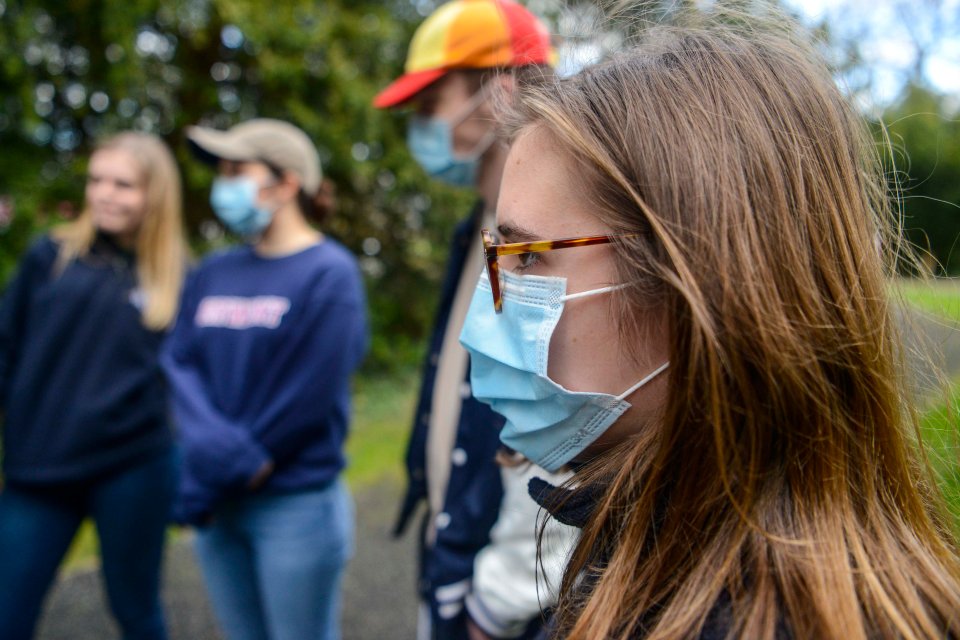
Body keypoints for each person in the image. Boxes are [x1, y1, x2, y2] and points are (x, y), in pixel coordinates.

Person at [458, 6, 960, 639]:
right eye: (498, 257)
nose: (489, 309)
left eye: (526, 257)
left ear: (699, 282)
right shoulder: (663, 554)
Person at [374, 1, 577, 638]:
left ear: (498, 90)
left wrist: (493, 602)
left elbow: (561, 432)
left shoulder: (547, 237)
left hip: (503, 604)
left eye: (431, 103)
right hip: (456, 555)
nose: (420, 126)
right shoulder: (477, 229)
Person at [161, 118, 367, 640]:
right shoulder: (212, 271)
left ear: (286, 183)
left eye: (237, 170)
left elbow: (308, 397)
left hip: (292, 506)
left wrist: (238, 461)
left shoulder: (330, 273)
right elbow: (177, 365)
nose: (222, 185)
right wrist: (222, 458)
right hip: (219, 497)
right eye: (221, 172)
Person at [0, 131, 187, 640]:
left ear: (155, 195)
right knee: (8, 610)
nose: (105, 193)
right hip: (39, 466)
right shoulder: (52, 257)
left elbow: (189, 381)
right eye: (97, 180)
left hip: (132, 467)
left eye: (123, 184)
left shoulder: (174, 277)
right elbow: (6, 345)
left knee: (135, 607)